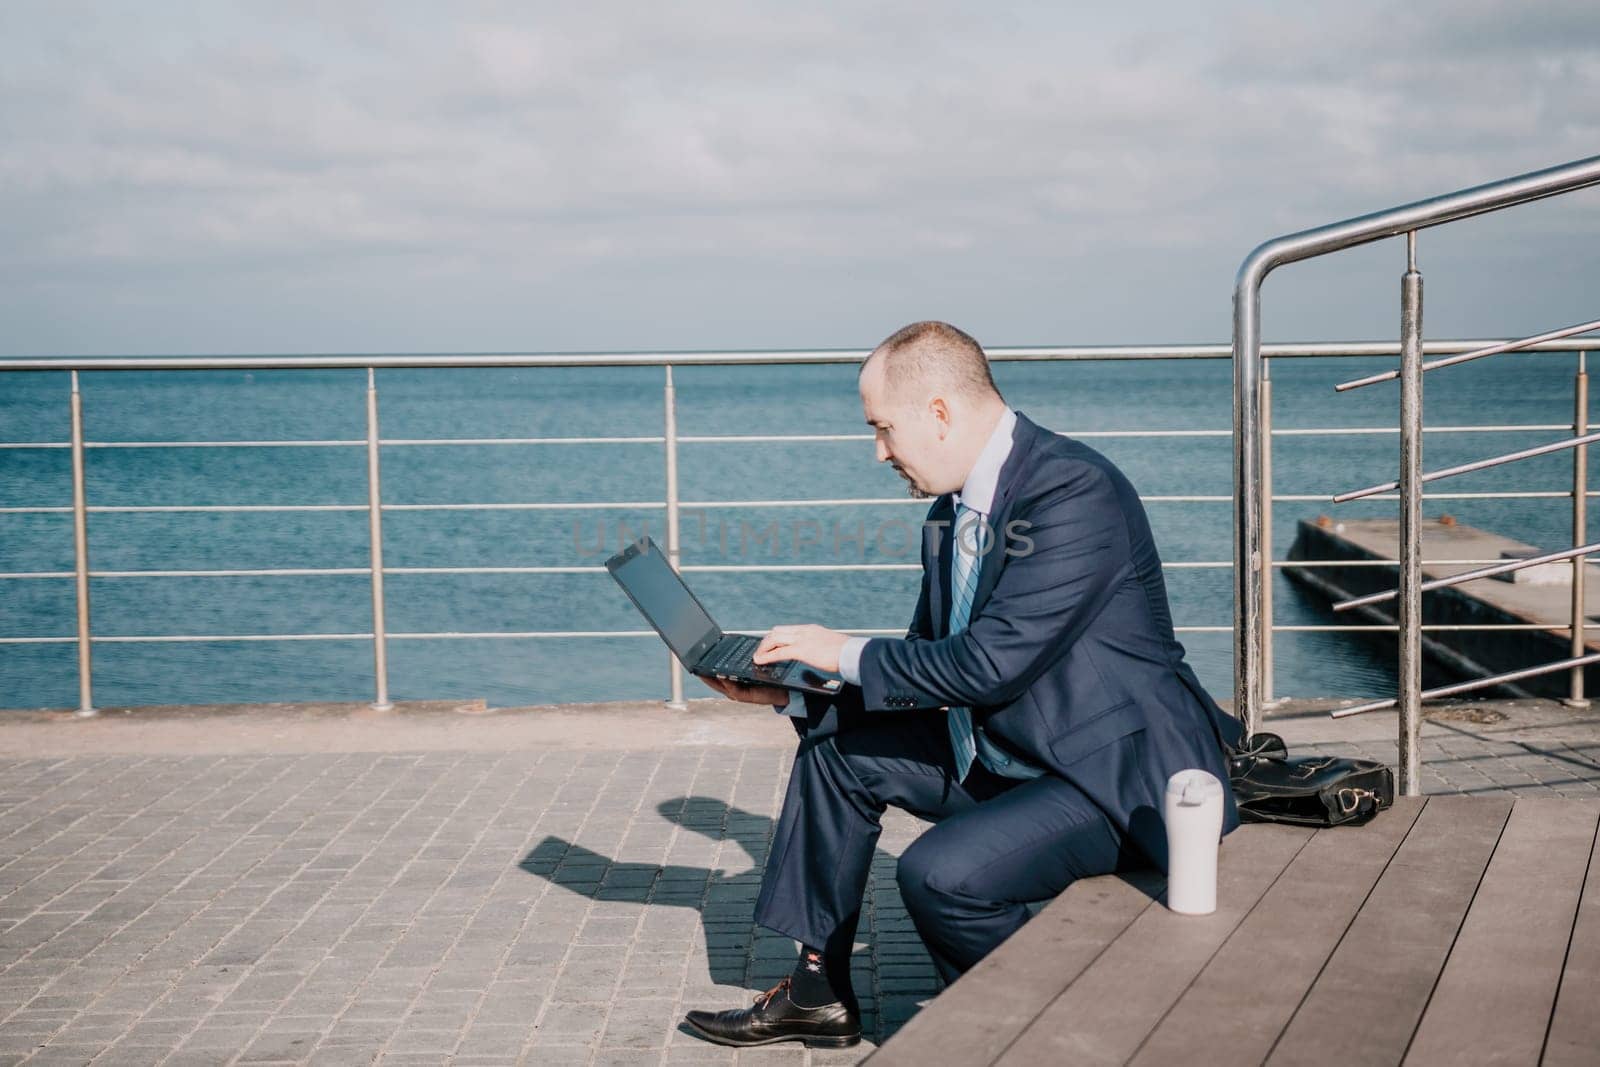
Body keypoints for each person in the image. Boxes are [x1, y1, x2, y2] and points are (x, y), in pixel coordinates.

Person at [684, 321, 1243, 1049]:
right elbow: (928, 663)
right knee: (835, 750)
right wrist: (793, 690)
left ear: (939, 413)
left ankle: (1050, 1023)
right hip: (1014, 749)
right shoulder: (950, 512)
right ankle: (818, 993)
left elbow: (988, 664)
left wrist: (841, 645)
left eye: (884, 429)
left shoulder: (1073, 491)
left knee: (940, 876)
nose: (878, 450)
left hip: (1111, 773)